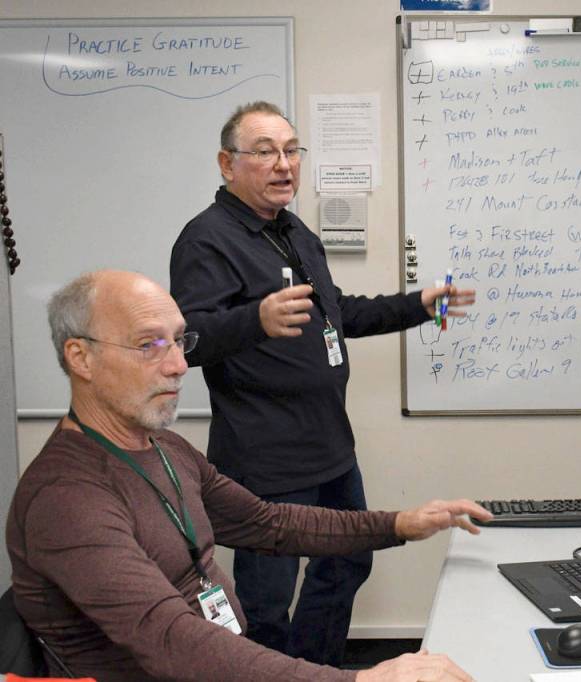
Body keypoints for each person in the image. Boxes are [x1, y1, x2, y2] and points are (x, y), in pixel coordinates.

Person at [6, 270, 487, 682]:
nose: (178, 366)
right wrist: (361, 679)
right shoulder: (66, 499)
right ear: (81, 357)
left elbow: (268, 523)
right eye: (149, 345)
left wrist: (400, 523)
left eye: (180, 341)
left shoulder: (163, 447)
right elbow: (171, 640)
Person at [169, 101, 474, 664]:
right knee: (266, 602)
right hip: (267, 457)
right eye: (265, 152)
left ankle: (315, 670)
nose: (283, 164)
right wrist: (255, 318)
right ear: (227, 163)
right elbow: (187, 340)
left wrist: (417, 305)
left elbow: (339, 314)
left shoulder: (292, 230)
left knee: (349, 562)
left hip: (330, 447)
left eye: (291, 151)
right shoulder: (206, 239)